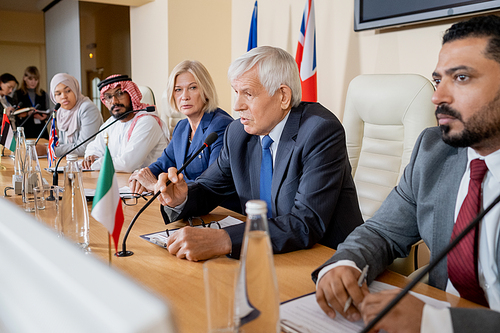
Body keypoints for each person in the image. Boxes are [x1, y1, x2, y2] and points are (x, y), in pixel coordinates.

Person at [313, 15, 500, 333]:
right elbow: (382, 232)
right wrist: (345, 264)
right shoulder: (433, 151)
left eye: (462, 78)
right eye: (439, 80)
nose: (437, 97)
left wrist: (438, 323)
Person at [154, 46, 363, 262]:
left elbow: (305, 223)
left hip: (327, 259)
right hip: (268, 254)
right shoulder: (238, 133)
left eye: (248, 94)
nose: (237, 106)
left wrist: (224, 239)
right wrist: (182, 197)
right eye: (236, 92)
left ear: (283, 96)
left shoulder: (320, 132)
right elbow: (209, 187)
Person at [128, 60, 233, 194]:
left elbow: (212, 182)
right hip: (188, 206)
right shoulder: (182, 127)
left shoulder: (220, 126)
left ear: (206, 91)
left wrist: (157, 185)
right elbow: (164, 163)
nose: (184, 96)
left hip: (218, 209)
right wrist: (143, 175)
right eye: (178, 90)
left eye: (193, 88)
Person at [82, 74, 169, 173]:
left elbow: (127, 165)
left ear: (131, 95)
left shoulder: (147, 121)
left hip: (151, 184)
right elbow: (94, 147)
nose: (114, 101)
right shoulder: (111, 122)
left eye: (120, 93)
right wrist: (92, 157)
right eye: (109, 97)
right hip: (123, 181)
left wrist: (95, 163)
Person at [49, 73, 103, 157]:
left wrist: (49, 150)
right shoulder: (61, 111)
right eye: (58, 94)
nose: (64, 96)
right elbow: (62, 143)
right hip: (71, 162)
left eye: (68, 91)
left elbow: (83, 148)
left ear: (75, 89)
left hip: (90, 164)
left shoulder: (88, 109)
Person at [13, 66, 49, 139]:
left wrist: (45, 117)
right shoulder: (18, 93)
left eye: (36, 79)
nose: (33, 82)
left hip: (40, 129)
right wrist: (27, 114)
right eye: (30, 79)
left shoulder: (43, 94)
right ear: (24, 78)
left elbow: (47, 111)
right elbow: (15, 113)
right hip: (25, 128)